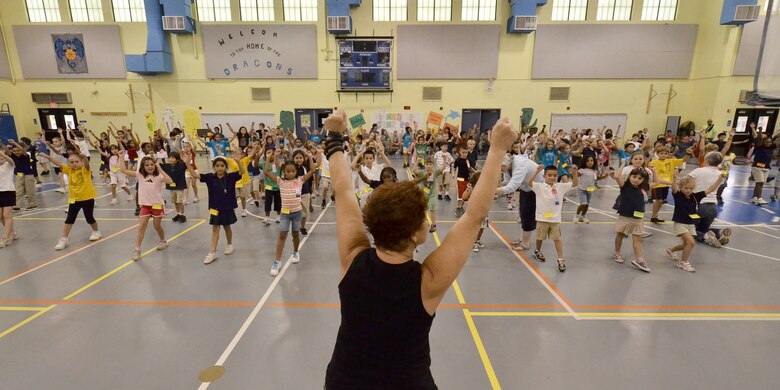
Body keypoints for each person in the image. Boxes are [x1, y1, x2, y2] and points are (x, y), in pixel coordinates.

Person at [322, 110, 513, 389]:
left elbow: (343, 191)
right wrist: (497, 150)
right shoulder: (428, 282)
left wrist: (335, 136)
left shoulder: (352, 256)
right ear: (416, 234)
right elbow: (474, 216)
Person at [263, 149, 319, 276]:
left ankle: (295, 252)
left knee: (295, 234)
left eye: (293, 171)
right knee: (282, 235)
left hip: (297, 213)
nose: (290, 173)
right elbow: (266, 171)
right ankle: (277, 261)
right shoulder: (280, 181)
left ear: (296, 171)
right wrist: (269, 156)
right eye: (288, 171)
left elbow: (312, 171)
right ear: (284, 171)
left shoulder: (299, 180)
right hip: (285, 214)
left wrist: (310, 157)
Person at [184, 156, 244, 264]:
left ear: (226, 167)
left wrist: (238, 161)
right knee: (215, 228)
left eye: (222, 166)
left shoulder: (230, 177)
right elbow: (194, 175)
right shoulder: (210, 177)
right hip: (214, 208)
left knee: (227, 226)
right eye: (217, 166)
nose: (220, 168)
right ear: (213, 167)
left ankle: (229, 244)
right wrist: (187, 163)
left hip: (227, 207)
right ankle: (213, 252)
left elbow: (242, 171)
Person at [39, 151, 102, 250]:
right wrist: (47, 156)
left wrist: (84, 158)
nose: (74, 164)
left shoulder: (85, 170)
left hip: (87, 198)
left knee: (89, 217)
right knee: (70, 218)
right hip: (74, 199)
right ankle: (64, 239)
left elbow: (86, 164)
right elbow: (58, 163)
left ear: (81, 162)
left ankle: (96, 231)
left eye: (77, 161)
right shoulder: (69, 170)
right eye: (71, 162)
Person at [666, 172, 725, 272]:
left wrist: (719, 180)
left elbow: (710, 189)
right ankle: (683, 262)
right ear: (681, 188)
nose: (688, 190)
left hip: (690, 224)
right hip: (680, 223)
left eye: (691, 188)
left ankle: (671, 250)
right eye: (686, 188)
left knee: (686, 244)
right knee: (691, 242)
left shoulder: (695, 197)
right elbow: (674, 188)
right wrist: (674, 178)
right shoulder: (678, 195)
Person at [121, 156, 172, 260]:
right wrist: (121, 157)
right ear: (143, 167)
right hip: (145, 205)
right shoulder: (139, 175)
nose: (150, 167)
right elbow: (124, 170)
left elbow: (170, 181)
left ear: (155, 165)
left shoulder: (159, 176)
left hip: (157, 205)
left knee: (157, 226)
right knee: (141, 227)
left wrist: (161, 169)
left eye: (152, 164)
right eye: (147, 165)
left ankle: (163, 240)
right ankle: (137, 250)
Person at [610, 165, 659, 273]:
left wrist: (654, 170)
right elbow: (617, 177)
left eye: (640, 178)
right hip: (625, 217)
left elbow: (657, 182)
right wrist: (623, 164)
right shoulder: (624, 186)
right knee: (620, 235)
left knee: (637, 239)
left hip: (638, 217)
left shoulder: (644, 188)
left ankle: (639, 259)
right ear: (630, 176)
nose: (636, 180)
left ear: (643, 180)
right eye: (634, 177)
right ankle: (617, 253)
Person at [529, 164, 578, 272]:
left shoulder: (560, 187)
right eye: (549, 175)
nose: (552, 177)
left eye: (554, 175)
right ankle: (537, 250)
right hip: (542, 218)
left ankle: (560, 259)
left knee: (557, 239)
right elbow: (529, 183)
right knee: (540, 238)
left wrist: (574, 173)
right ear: (544, 176)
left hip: (555, 220)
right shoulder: (539, 187)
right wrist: (536, 172)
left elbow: (575, 184)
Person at [688, 151, 733, 247]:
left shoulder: (698, 171)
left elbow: (685, 181)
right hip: (712, 208)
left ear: (706, 161)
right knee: (702, 228)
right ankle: (718, 232)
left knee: (689, 231)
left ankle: (706, 237)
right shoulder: (720, 174)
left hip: (698, 207)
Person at [497, 152, 540, 250]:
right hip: (526, 187)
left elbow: (512, 187)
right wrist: (497, 185)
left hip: (536, 188)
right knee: (522, 212)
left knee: (528, 214)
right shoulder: (509, 166)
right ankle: (523, 238)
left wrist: (492, 191)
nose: (500, 171)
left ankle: (526, 243)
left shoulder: (520, 165)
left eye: (500, 168)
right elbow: (507, 182)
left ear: (504, 165)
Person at [648, 145, 684, 224]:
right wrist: (649, 156)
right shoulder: (654, 162)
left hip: (666, 185)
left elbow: (683, 161)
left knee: (661, 201)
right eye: (661, 153)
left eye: (665, 153)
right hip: (658, 185)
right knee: (659, 200)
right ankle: (653, 216)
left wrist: (688, 154)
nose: (663, 155)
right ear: (657, 154)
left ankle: (655, 216)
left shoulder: (670, 161)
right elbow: (648, 166)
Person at [413, 159, 444, 233]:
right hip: (423, 194)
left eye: (430, 164)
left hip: (432, 194)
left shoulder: (435, 172)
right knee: (424, 209)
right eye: (427, 164)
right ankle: (425, 222)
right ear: (425, 165)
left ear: (433, 165)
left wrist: (445, 159)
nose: (428, 166)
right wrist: (417, 162)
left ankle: (433, 224)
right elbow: (414, 170)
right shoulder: (421, 173)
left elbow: (442, 167)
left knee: (433, 208)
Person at [574, 155, 607, 223]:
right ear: (584, 162)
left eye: (591, 161)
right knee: (583, 203)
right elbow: (576, 175)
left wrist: (604, 177)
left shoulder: (594, 171)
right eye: (588, 161)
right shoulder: (582, 170)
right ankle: (576, 216)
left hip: (590, 190)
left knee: (587, 205)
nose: (590, 162)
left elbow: (596, 178)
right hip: (582, 190)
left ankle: (583, 216)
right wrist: (574, 171)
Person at [6, 139, 37, 210]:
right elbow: (7, 151)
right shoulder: (13, 156)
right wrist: (1, 144)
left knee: (30, 190)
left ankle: (32, 203)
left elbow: (22, 150)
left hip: (28, 174)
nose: (16, 152)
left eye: (18, 150)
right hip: (18, 175)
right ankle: (17, 205)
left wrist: (14, 143)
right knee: (18, 190)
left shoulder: (26, 155)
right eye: (14, 151)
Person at [160, 151, 188, 222]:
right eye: (169, 158)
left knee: (180, 202)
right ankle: (178, 213)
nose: (170, 159)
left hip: (179, 187)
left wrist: (186, 156)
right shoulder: (167, 166)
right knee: (175, 201)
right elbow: (157, 165)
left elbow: (187, 163)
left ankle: (182, 215)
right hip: (171, 187)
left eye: (172, 158)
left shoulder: (182, 165)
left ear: (177, 159)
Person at [0, 149, 16, 248]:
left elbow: (10, 160)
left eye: (2, 156)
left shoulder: (9, 165)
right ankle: (12, 232)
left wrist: (1, 153)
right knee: (0, 216)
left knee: (7, 215)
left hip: (8, 191)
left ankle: (5, 238)